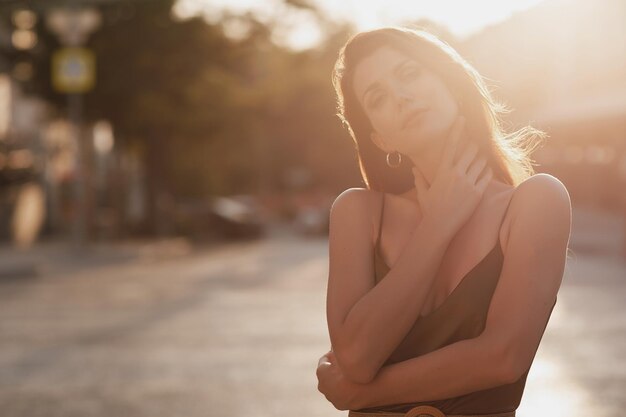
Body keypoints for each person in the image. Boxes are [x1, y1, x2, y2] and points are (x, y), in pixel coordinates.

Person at [316, 27, 572, 416]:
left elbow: (503, 357)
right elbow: (355, 358)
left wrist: (360, 395)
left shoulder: (537, 202)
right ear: (381, 139)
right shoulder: (359, 212)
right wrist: (439, 224)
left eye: (409, 74)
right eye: (378, 97)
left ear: (453, 84)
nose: (401, 96)